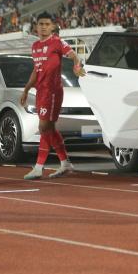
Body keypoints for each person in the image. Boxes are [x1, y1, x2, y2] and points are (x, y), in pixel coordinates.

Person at [21, 12, 86, 180]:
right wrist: (27, 89)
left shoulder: (56, 42)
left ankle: (39, 167)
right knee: (49, 128)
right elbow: (36, 70)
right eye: (40, 23)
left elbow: (74, 56)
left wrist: (77, 66)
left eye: (46, 24)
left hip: (53, 91)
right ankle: (65, 163)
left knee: (44, 127)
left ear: (51, 26)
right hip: (41, 91)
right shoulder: (35, 46)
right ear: (36, 26)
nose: (43, 26)